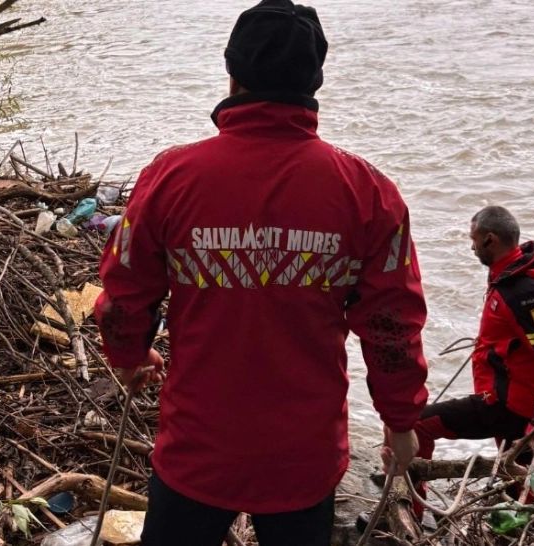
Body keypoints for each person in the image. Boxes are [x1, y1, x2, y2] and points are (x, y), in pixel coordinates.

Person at [94, 1, 429, 544]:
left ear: (232, 74)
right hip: (304, 459)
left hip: (196, 451)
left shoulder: (172, 176)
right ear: (316, 81)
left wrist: (129, 358)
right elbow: (393, 325)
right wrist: (400, 421)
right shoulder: (368, 192)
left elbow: (123, 297)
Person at [412, 205, 534, 514]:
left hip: (509, 406)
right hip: (511, 400)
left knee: (416, 425)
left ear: (490, 240)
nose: (471, 247)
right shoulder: (509, 274)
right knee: (523, 488)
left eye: (473, 240)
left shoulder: (526, 292)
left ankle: (410, 509)